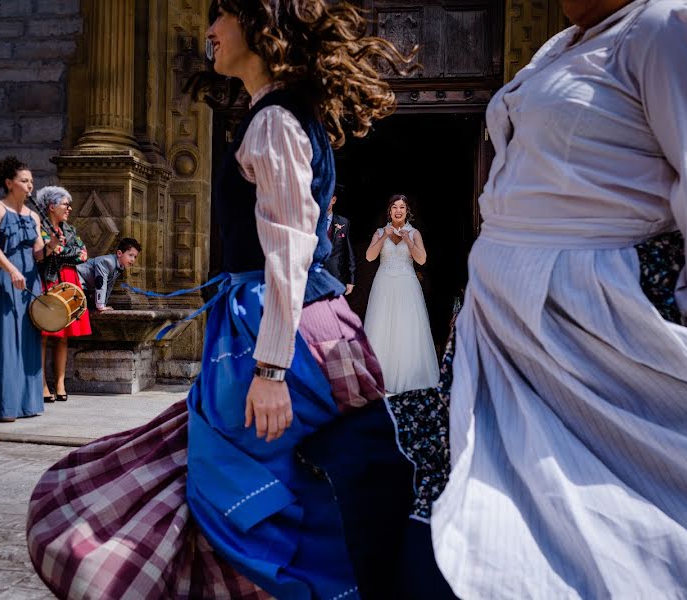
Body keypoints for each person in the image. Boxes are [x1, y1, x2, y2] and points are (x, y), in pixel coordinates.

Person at [26, 2, 417, 598]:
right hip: (275, 320)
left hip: (274, 329)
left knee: (247, 497)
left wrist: (271, 368)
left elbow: (288, 253)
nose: (209, 28)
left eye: (223, 14)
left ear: (260, 28)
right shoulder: (276, 114)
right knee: (259, 489)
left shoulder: (277, 121)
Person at [430, 0, 687, 598]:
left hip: (595, 323)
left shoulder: (667, 29)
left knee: (628, 511)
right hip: (511, 322)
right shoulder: (556, 48)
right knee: (524, 500)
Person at [0, 157, 59, 422]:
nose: (30, 185)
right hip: (2, 280)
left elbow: (38, 254)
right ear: (9, 183)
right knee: (3, 341)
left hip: (28, 281)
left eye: (31, 181)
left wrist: (52, 244)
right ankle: (0, 406)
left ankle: (24, 403)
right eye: (24, 180)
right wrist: (11, 270)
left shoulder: (33, 216)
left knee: (26, 340)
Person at [363, 194, 439, 393]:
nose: (398, 210)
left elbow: (421, 260)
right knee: (382, 326)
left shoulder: (414, 233)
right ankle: (381, 378)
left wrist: (408, 240)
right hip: (384, 285)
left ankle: (409, 378)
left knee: (407, 329)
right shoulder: (380, 232)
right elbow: (370, 257)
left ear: (407, 211)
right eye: (394, 207)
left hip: (407, 285)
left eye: (402, 207)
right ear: (389, 211)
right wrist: (385, 236)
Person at [35, 186, 91, 403]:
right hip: (48, 280)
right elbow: (47, 254)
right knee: (44, 335)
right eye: (65, 204)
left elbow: (83, 254)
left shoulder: (70, 230)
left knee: (64, 337)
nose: (69, 208)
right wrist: (63, 252)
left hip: (69, 280)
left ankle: (60, 383)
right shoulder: (40, 228)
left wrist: (61, 252)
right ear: (51, 206)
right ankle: (41, 384)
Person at [76, 237, 141, 312]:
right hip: (77, 278)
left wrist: (104, 304)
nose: (133, 259)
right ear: (119, 253)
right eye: (130, 255)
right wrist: (100, 306)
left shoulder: (119, 267)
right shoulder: (107, 262)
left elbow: (109, 286)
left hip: (84, 286)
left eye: (135, 257)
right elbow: (100, 283)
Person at [322, 184, 356, 294]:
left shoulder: (343, 223)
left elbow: (349, 252)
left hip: (337, 277)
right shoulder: (312, 223)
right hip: (316, 277)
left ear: (333, 200)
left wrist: (351, 280)